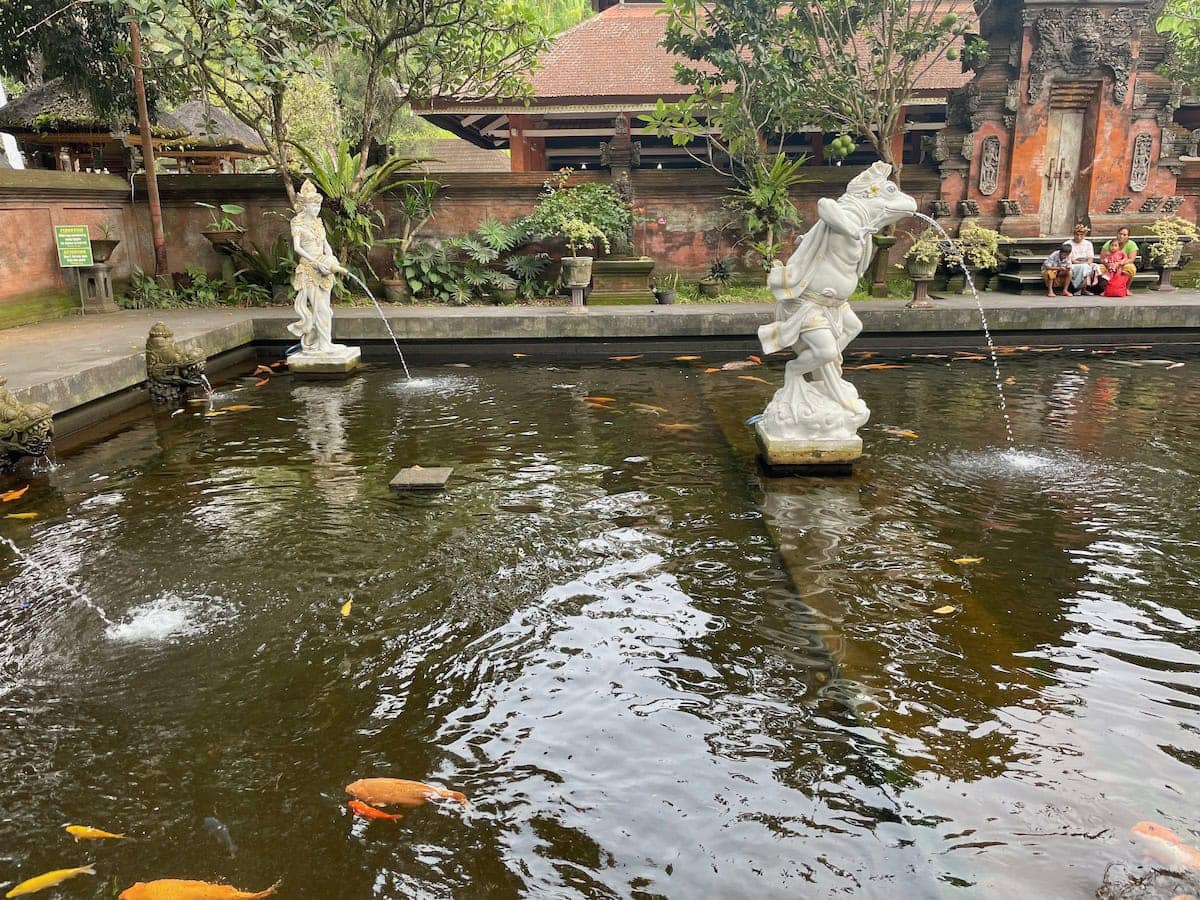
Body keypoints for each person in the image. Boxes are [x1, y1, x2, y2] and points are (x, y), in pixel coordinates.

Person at [288, 179, 347, 353]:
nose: (317, 210)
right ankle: (322, 344)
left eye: (318, 207)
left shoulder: (318, 223)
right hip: (309, 269)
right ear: (305, 207)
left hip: (324, 268)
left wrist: (330, 256)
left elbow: (325, 243)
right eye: (313, 207)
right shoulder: (297, 223)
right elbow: (297, 248)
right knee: (319, 309)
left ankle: (325, 342)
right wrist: (315, 262)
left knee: (326, 310)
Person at [1066, 223, 1096, 296]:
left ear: (1084, 235)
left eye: (1081, 235)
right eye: (1077, 234)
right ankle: (1080, 289)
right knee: (1083, 267)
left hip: (1086, 263)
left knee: (1091, 267)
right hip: (1073, 264)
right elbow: (1070, 259)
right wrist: (1080, 263)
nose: (1079, 237)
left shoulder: (1088, 244)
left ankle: (1082, 289)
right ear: (1074, 234)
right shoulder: (1068, 243)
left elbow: (1090, 258)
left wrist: (1087, 263)